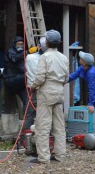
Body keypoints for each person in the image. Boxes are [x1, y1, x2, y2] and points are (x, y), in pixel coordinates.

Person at [28, 30, 69, 164]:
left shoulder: (44, 57)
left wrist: (32, 86)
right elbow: (66, 78)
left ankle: (44, 158)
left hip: (46, 92)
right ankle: (60, 155)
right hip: (59, 92)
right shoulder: (63, 57)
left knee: (42, 127)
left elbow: (40, 78)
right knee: (59, 127)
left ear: (47, 42)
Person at [23, 37, 47, 130]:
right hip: (43, 89)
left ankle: (24, 136)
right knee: (44, 114)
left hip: (32, 89)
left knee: (29, 113)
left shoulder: (29, 57)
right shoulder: (45, 58)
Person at [3, 36, 28, 116]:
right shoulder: (10, 51)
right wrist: (26, 53)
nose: (20, 46)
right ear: (14, 44)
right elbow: (14, 59)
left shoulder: (22, 52)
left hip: (20, 81)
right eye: (18, 44)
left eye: (22, 44)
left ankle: (25, 120)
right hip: (12, 79)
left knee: (27, 102)